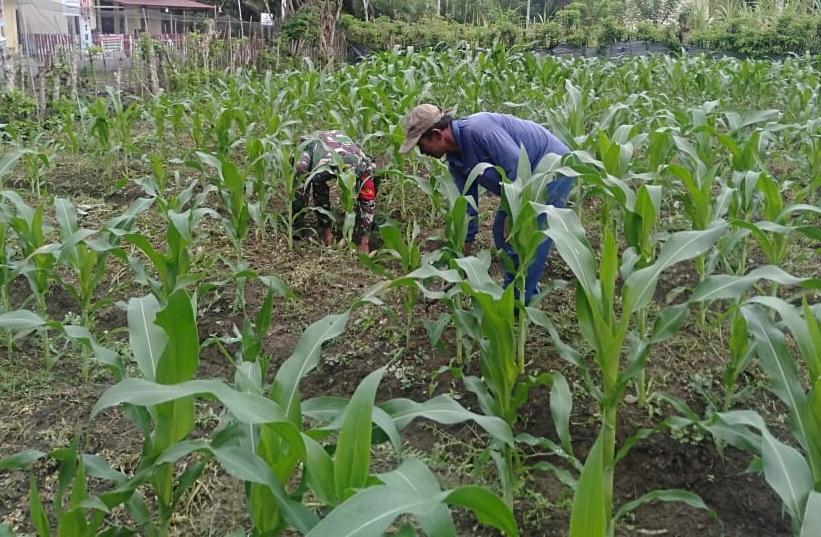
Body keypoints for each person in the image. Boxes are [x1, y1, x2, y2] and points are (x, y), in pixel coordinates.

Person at [399, 104, 574, 303]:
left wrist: (514, 214)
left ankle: (520, 301)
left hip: (551, 169)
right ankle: (518, 289)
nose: (423, 152)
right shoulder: (456, 160)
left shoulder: (480, 129)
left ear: (437, 135)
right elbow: (467, 204)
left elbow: (517, 168)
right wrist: (461, 261)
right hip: (523, 181)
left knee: (531, 234)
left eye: (422, 146)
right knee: (502, 232)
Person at [293, 130, 377, 253]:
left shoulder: (364, 168)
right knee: (301, 170)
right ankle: (296, 228)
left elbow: (368, 201)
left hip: (341, 140)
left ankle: (364, 225)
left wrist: (364, 240)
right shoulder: (323, 169)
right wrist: (326, 230)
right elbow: (320, 195)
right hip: (313, 142)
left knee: (374, 176)